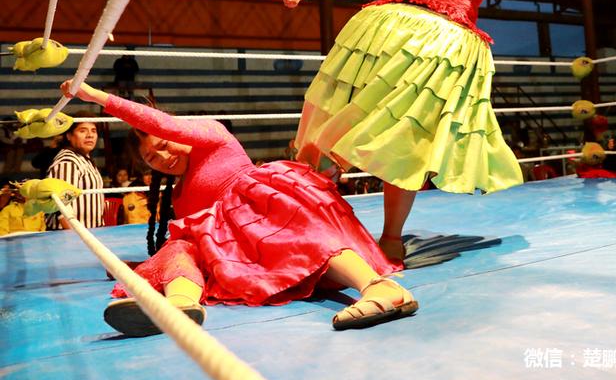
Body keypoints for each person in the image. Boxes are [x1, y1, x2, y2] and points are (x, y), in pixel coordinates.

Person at [283, 0, 551, 261]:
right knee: (329, 122)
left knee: (406, 140)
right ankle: (312, 221)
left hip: (442, 48)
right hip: (383, 36)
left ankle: (391, 237)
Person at [61, 80, 418, 336]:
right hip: (245, 257)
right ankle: (179, 305)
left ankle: (378, 286)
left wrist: (98, 97)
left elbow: (162, 122)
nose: (163, 158)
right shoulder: (180, 197)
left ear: (179, 133)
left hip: (270, 215)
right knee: (181, 247)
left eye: (166, 146)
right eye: (152, 158)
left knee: (293, 232)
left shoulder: (211, 137)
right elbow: (199, 247)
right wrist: (136, 268)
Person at [45, 113, 105, 230]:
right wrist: (76, 239)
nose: (90, 135)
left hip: (90, 233)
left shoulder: (84, 159)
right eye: (83, 131)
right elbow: (61, 206)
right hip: (71, 238)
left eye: (93, 131)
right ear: (69, 135)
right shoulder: (68, 161)